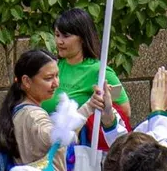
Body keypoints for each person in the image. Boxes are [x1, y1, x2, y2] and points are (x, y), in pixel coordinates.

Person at [52, 7, 131, 138]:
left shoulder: (99, 72)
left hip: (80, 150)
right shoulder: (53, 66)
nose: (60, 41)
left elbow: (125, 111)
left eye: (66, 36)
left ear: (82, 38)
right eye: (57, 35)